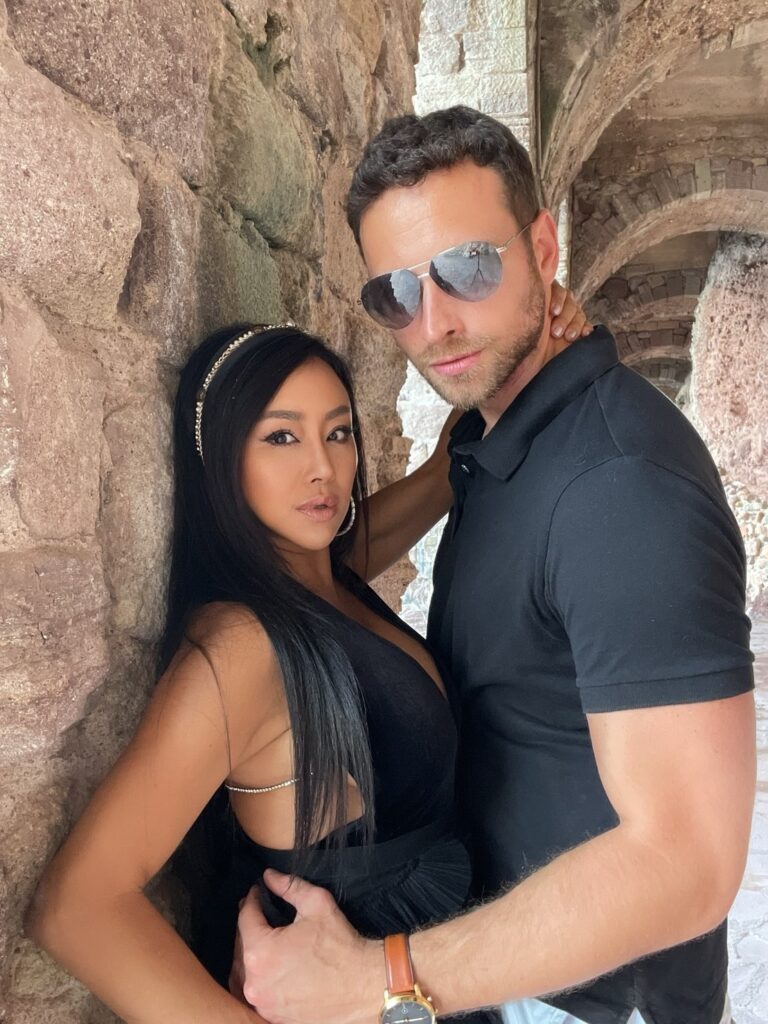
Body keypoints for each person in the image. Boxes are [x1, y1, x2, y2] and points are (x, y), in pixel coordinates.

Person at [234, 107, 756, 1024]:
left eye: (469, 266)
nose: (434, 323)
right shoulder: (495, 440)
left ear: (543, 249)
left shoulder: (620, 487)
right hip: (506, 964)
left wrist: (377, 978)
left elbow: (687, 865)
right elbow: (331, 556)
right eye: (396, 293)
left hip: (590, 999)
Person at [26, 296, 585, 1023]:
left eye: (338, 432)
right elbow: (75, 907)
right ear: (222, 458)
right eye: (282, 437)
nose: (323, 468)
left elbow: (424, 492)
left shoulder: (321, 579)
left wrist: (521, 348)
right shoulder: (241, 648)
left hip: (427, 980)